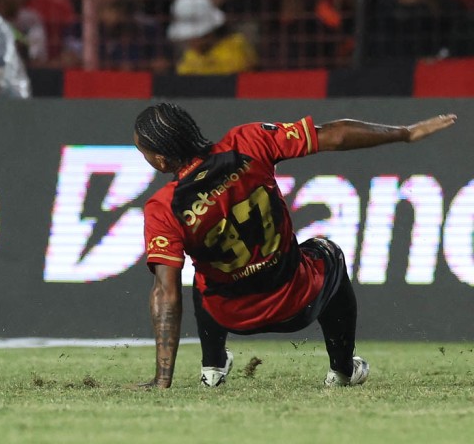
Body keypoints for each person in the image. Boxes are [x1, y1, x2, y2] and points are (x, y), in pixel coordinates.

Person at [132, 103, 457, 388]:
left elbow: (166, 294)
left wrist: (163, 379)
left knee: (202, 273)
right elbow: (336, 135)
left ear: (160, 161)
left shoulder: (164, 208)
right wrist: (405, 133)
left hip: (232, 316)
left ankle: (213, 368)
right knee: (328, 252)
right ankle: (343, 370)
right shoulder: (248, 141)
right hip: (297, 303)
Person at [167, 0, 257, 75]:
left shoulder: (235, 47)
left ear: (208, 33)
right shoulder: (192, 55)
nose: (189, 41)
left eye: (193, 37)